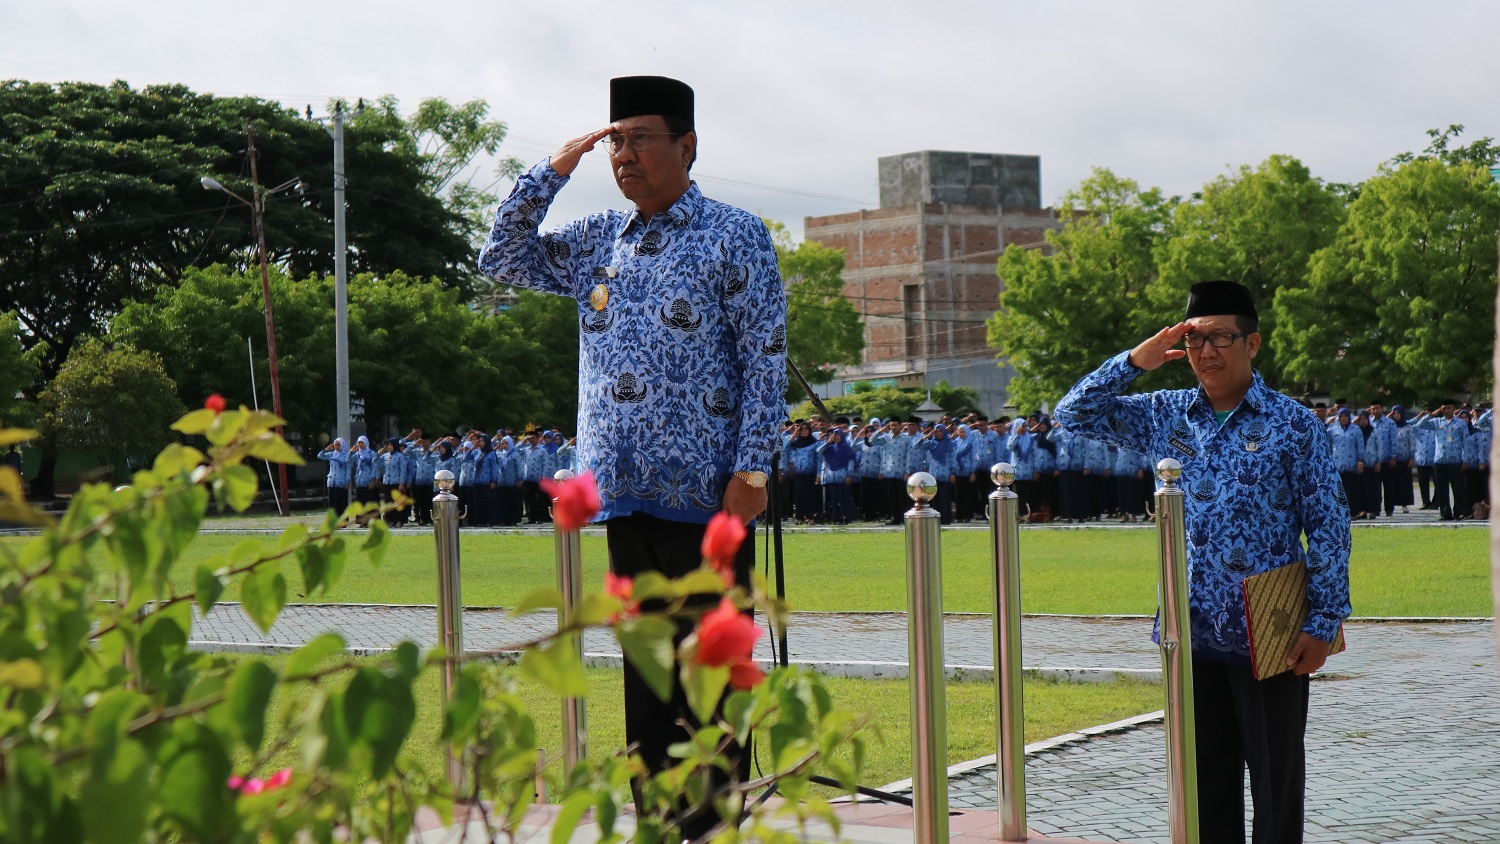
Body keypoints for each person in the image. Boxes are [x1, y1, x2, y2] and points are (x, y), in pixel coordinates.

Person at [477, 74, 786, 839]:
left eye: (640, 138)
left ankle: (709, 826)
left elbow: (765, 356)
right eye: (614, 139)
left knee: (711, 671)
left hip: (708, 499)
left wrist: (754, 470)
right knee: (647, 679)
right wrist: (550, 171)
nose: (625, 154)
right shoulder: (594, 241)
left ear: (686, 146)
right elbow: (499, 256)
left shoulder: (733, 233)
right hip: (621, 495)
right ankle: (657, 823)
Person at [1054, 280, 1351, 844]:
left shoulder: (1292, 424)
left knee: (1275, 781)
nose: (1207, 352)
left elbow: (1329, 525)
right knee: (1205, 780)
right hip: (1192, 627)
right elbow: (1074, 413)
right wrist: (1135, 361)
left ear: (1252, 344)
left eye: (1221, 337)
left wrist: (1324, 620)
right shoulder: (1166, 413)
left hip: (1272, 628)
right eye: (1194, 340)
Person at [315, 438, 350, 515]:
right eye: (335, 445)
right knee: (332, 502)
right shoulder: (331, 454)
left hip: (341, 482)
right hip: (332, 481)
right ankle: (333, 521)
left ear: (342, 445)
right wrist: (326, 449)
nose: (336, 447)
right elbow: (320, 456)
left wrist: (347, 482)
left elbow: (348, 470)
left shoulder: (346, 456)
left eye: (338, 445)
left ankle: (342, 521)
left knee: (341, 502)